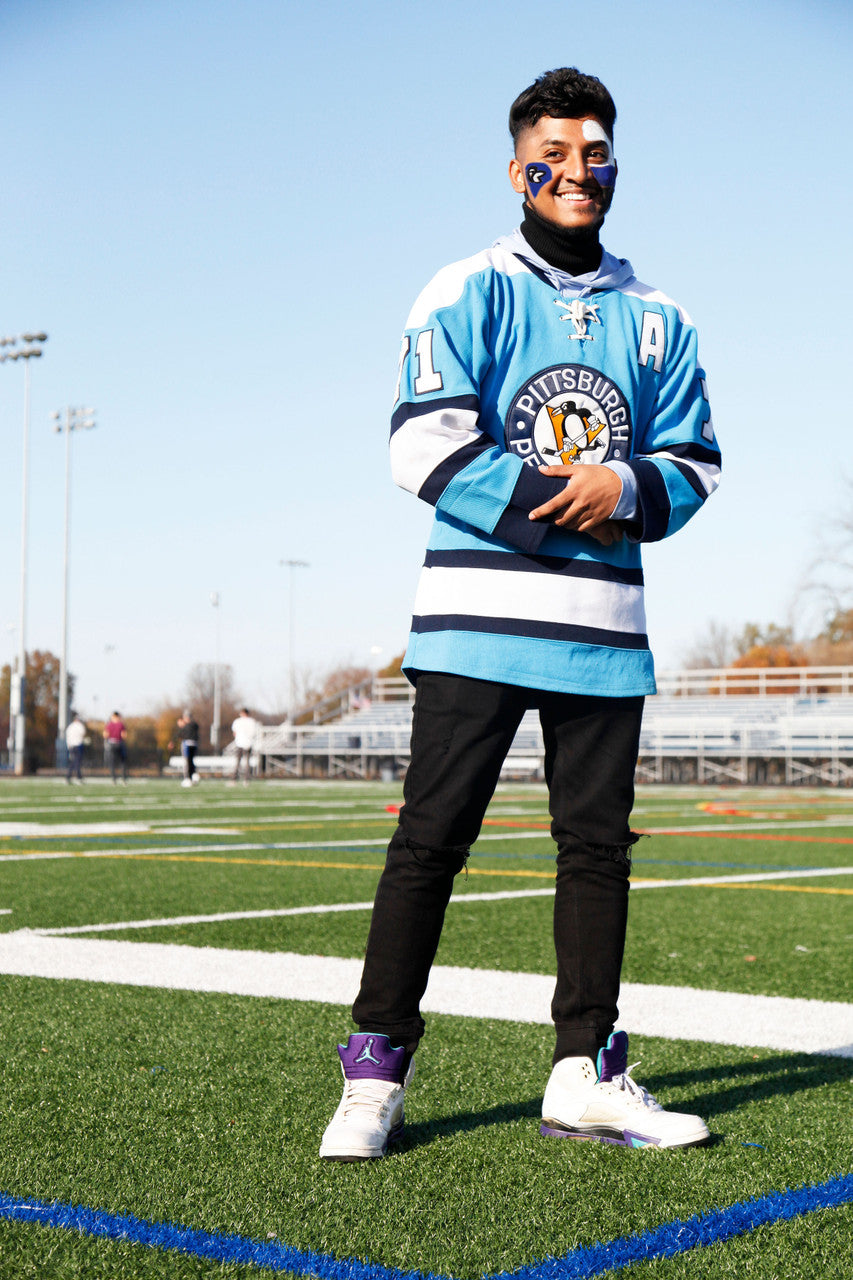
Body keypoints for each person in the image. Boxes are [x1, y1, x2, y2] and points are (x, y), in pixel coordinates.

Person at [320, 67, 721, 1161]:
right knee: (428, 843)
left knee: (595, 852)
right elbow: (423, 443)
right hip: (475, 620)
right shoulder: (466, 288)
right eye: (555, 152)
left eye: (595, 153)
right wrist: (571, 502)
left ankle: (584, 1071)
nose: (577, 171)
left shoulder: (661, 317)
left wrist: (632, 489)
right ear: (517, 168)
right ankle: (374, 1074)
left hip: (601, 636)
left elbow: (694, 461)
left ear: (614, 165)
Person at [230, 707, 257, 783]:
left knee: (238, 761)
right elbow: (254, 733)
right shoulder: (252, 721)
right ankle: (246, 779)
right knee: (247, 762)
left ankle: (234, 779)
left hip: (240, 743)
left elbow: (234, 733)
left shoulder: (237, 721)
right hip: (248, 743)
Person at [174, 710, 199, 787]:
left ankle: (188, 778)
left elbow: (180, 734)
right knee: (190, 761)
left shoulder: (188, 726)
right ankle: (193, 776)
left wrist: (182, 726)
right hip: (194, 744)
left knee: (187, 762)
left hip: (187, 744)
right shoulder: (194, 725)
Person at [103, 711, 128, 784]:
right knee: (122, 762)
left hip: (111, 744)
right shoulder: (121, 724)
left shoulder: (109, 724)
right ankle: (123, 778)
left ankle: (114, 779)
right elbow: (124, 735)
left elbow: (105, 735)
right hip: (119, 744)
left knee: (112, 762)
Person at [65, 713, 87, 784]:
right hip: (78, 746)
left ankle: (69, 777)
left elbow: (67, 738)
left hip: (71, 746)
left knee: (72, 762)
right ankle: (78, 777)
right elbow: (83, 734)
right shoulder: (80, 726)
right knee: (77, 762)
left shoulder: (70, 727)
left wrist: (68, 747)